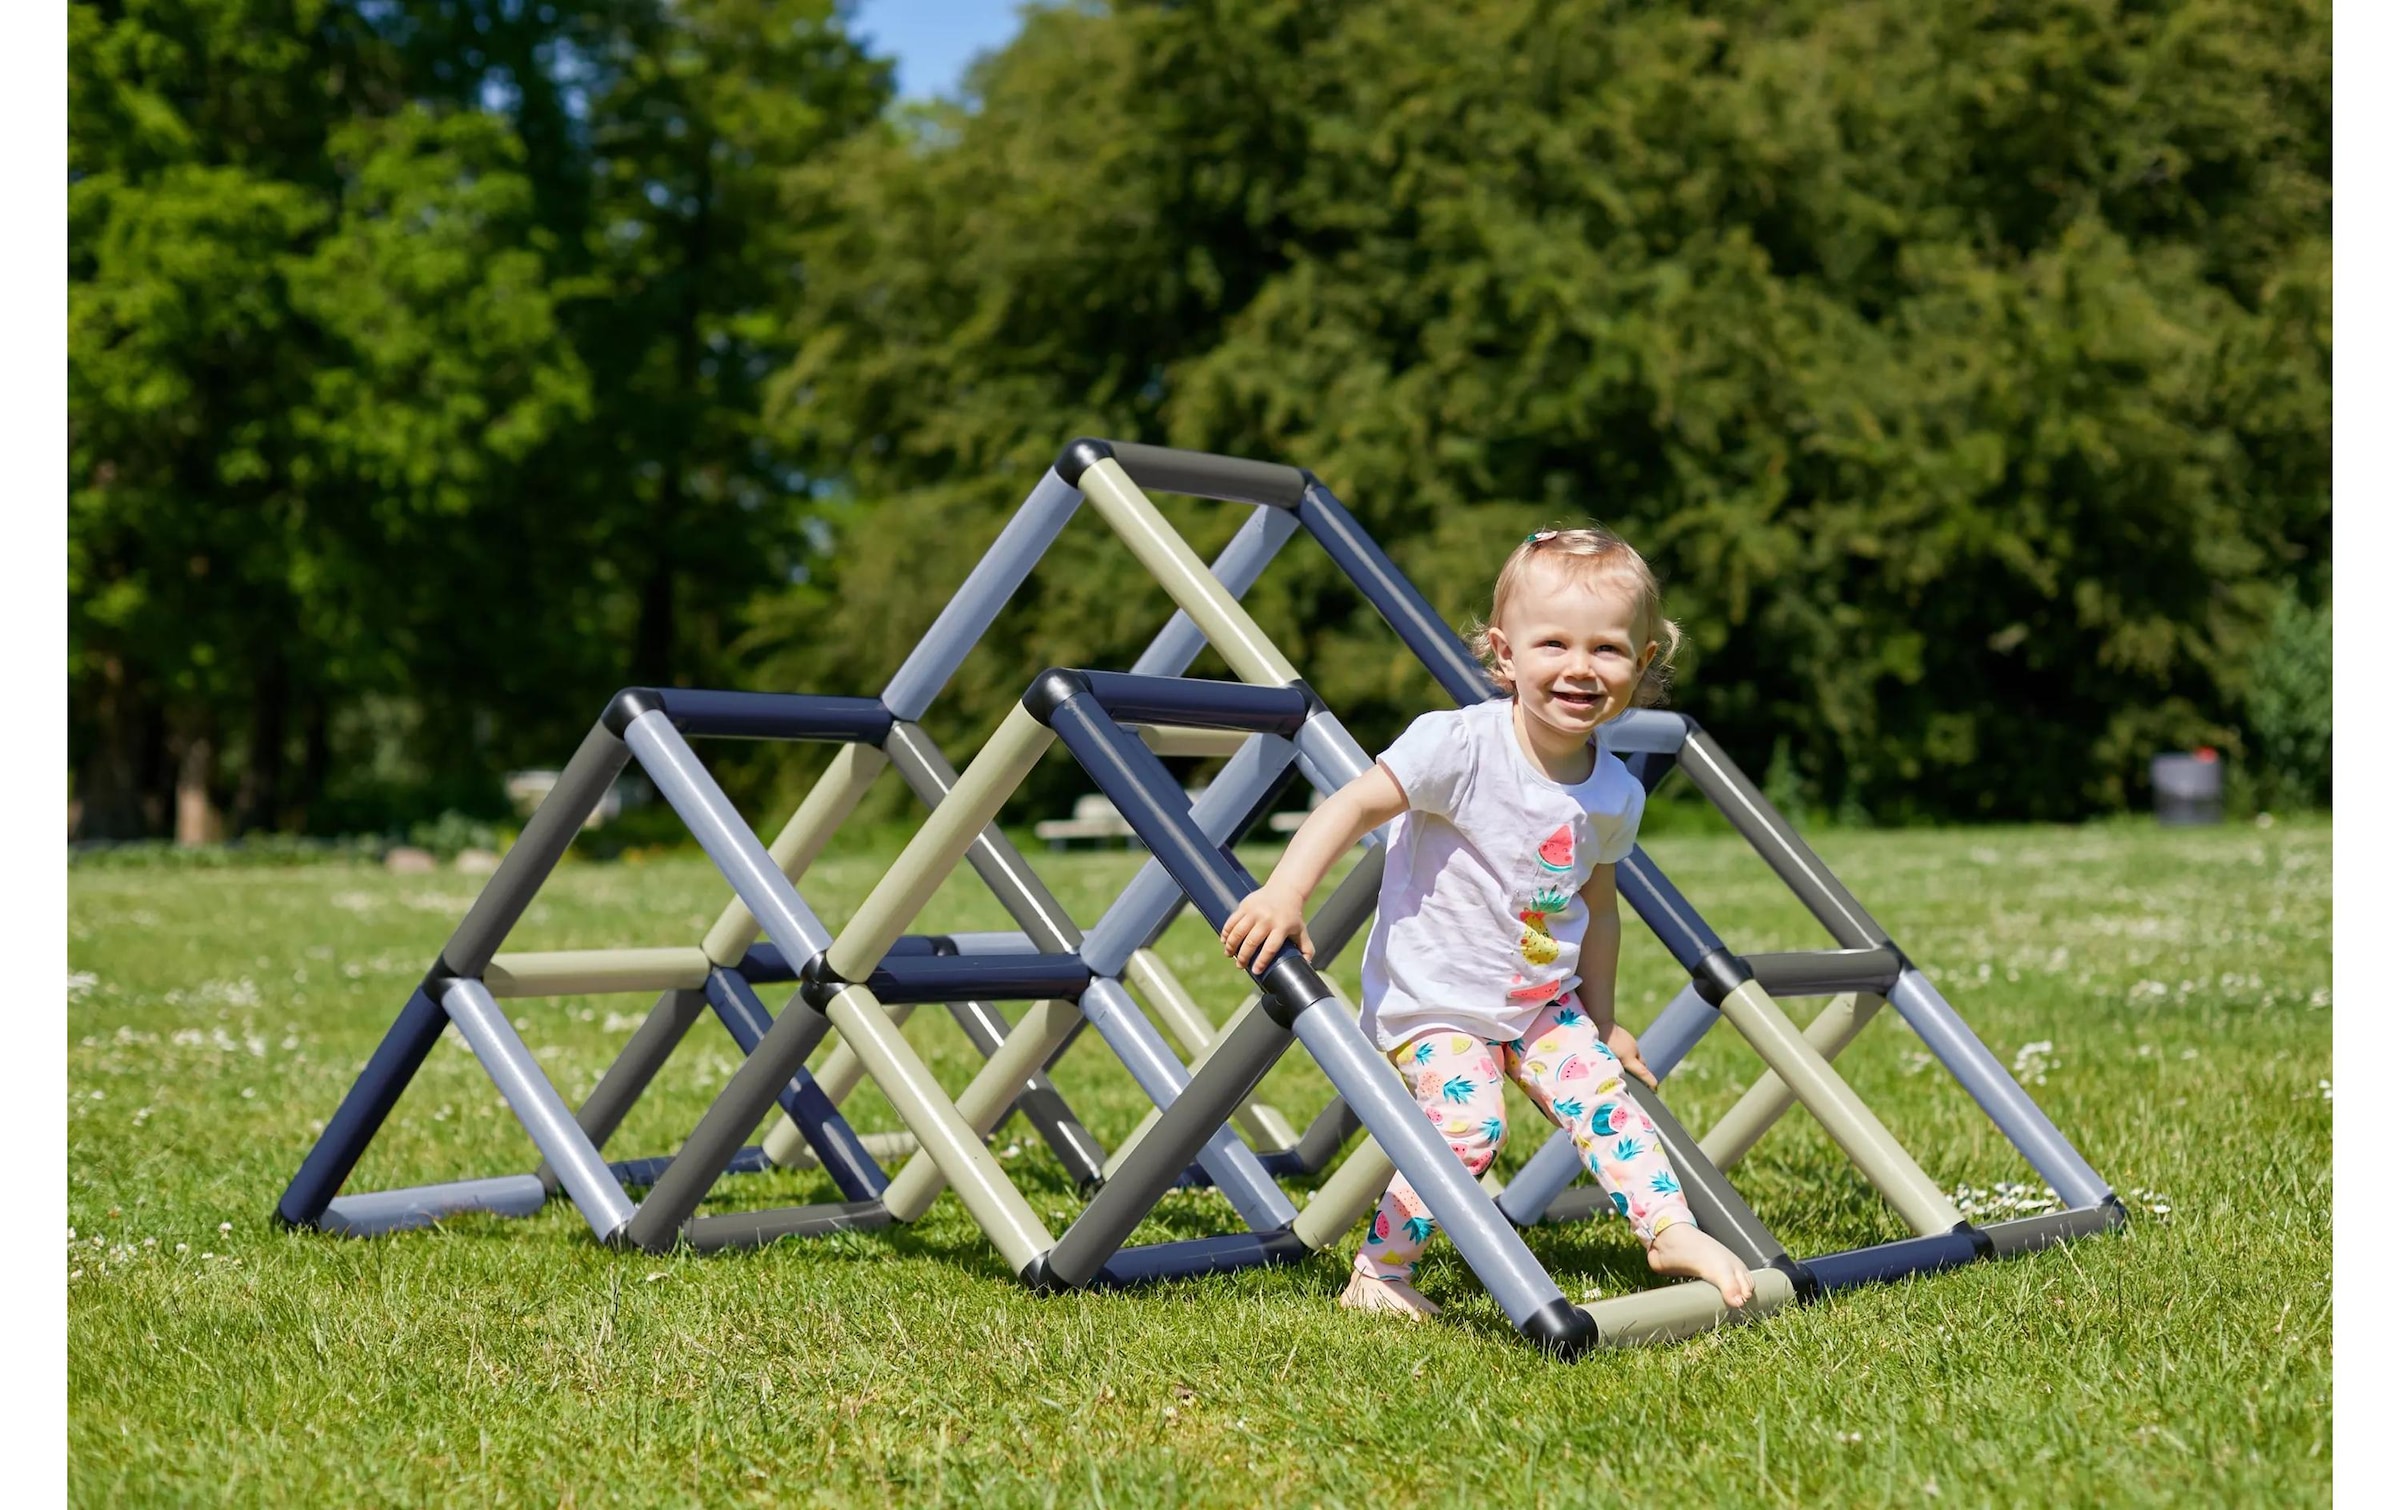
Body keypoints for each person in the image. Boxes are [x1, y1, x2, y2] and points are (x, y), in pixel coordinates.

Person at [1221, 527, 1755, 1319]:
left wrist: (1602, 1021)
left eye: (1608, 650)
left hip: (1542, 1003)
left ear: (1642, 666)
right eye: (1554, 645)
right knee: (1469, 1126)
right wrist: (1284, 892)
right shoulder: (1458, 746)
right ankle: (1380, 1273)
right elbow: (1354, 804)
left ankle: (1668, 1228)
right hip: (1436, 1000)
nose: (1580, 668)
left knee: (1607, 1100)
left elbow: (1598, 913)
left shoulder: (1614, 792)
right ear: (1505, 655)